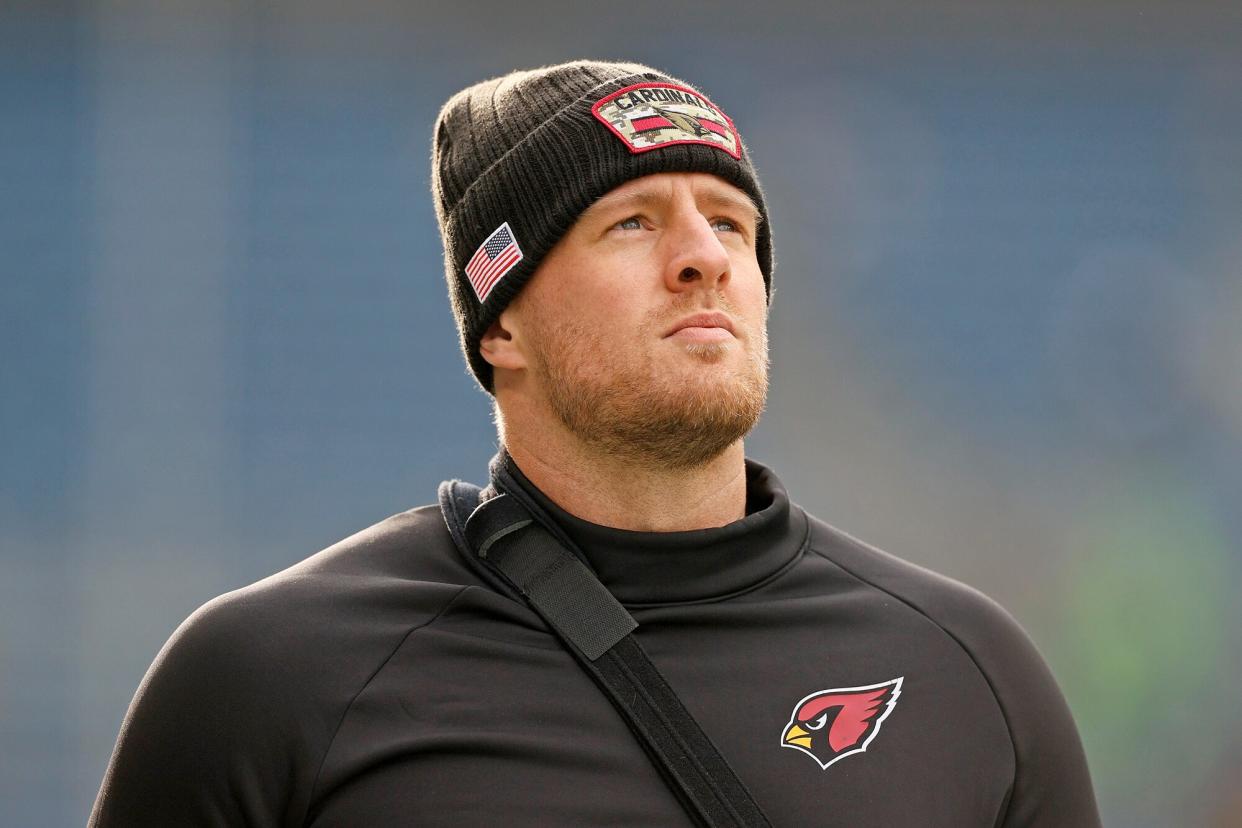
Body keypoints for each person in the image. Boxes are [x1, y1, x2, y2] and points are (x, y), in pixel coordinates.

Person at [91, 60, 1101, 827]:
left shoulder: (970, 675)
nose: (705, 258)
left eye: (732, 225)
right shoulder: (271, 681)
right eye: (631, 223)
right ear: (502, 323)